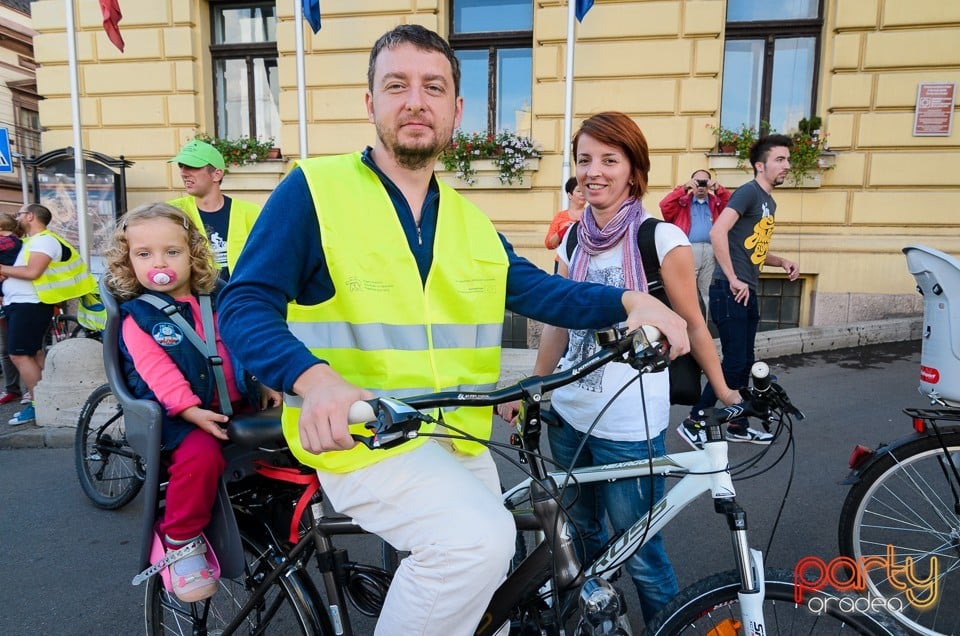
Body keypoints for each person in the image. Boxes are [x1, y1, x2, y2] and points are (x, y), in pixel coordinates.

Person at [217, 25, 690, 635]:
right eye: (397, 85)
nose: (416, 101)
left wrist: (631, 300)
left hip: (455, 440)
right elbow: (245, 303)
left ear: (456, 110)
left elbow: (541, 289)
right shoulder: (315, 190)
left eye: (433, 87)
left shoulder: (468, 221)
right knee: (476, 544)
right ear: (371, 104)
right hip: (363, 438)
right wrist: (317, 380)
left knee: (491, 586)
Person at [500, 112, 739, 622]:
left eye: (610, 160)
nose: (594, 171)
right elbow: (557, 325)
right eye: (584, 160)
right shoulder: (571, 239)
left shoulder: (661, 240)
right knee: (580, 543)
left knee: (645, 558)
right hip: (568, 417)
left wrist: (724, 389)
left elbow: (694, 325)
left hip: (630, 428)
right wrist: (534, 388)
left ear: (633, 171)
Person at [104, 202, 280, 603]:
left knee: (288, 441)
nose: (158, 263)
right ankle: (180, 539)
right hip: (178, 416)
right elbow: (156, 372)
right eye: (143, 254)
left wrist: (268, 379)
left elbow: (246, 341)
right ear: (128, 261)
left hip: (238, 404)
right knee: (201, 458)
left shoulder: (219, 298)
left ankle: (281, 519)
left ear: (193, 254)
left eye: (172, 252)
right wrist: (188, 410)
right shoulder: (139, 317)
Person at [679, 134, 800, 447]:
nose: (787, 165)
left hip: (746, 290)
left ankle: (737, 422)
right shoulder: (748, 193)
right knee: (734, 361)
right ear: (760, 166)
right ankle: (695, 421)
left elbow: (751, 249)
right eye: (780, 159)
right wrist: (732, 278)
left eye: (787, 159)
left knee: (744, 361)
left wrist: (780, 260)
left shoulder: (768, 201)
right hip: (729, 289)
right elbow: (718, 232)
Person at [0, 204, 96, 426]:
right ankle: (47, 400)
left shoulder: (44, 240)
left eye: (20, 214)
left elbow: (33, 272)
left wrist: (3, 269)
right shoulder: (30, 241)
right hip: (22, 304)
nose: (17, 217)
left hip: (31, 304)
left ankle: (38, 405)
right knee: (32, 354)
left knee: (19, 355)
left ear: (30, 216)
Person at [167, 139, 261, 281]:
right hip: (195, 299)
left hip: (241, 297)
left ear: (217, 174)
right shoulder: (172, 212)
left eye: (192, 166)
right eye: (181, 166)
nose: (183, 173)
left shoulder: (250, 212)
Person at [658, 169, 731, 317]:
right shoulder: (682, 202)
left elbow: (733, 207)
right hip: (688, 250)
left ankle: (704, 329)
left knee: (707, 292)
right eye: (697, 182)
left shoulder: (716, 203)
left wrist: (719, 190)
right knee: (686, 290)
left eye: (705, 182)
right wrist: (683, 188)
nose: (701, 186)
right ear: (692, 183)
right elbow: (664, 205)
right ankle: (686, 329)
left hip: (712, 252)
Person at [545, 176, 587, 272]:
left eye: (584, 191)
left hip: (583, 264)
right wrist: (562, 231)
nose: (583, 194)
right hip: (562, 263)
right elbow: (549, 244)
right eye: (579, 191)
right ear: (570, 195)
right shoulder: (560, 216)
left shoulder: (591, 215)